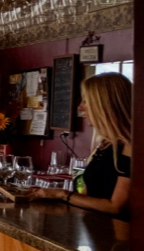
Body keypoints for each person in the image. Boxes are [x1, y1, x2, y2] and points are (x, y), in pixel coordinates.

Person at [28, 72, 131, 217]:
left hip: (115, 236)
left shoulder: (130, 146)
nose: (81, 107)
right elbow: (88, 197)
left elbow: (115, 207)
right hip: (95, 231)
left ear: (105, 105)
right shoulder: (105, 144)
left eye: (86, 101)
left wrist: (62, 195)